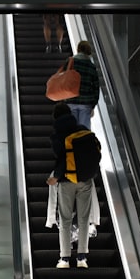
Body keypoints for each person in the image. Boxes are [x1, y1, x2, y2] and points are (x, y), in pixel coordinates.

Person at [46, 102, 100, 269]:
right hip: (86, 180)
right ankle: (82, 258)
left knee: (65, 219)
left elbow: (61, 158)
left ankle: (65, 259)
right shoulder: (83, 129)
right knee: (84, 219)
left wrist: (56, 176)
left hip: (67, 181)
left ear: (55, 117)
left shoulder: (57, 135)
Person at [65, 40, 99, 129]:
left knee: (72, 130)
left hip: (71, 100)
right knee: (84, 131)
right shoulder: (91, 66)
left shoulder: (70, 62)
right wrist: (93, 104)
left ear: (78, 49)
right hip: (86, 102)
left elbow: (64, 79)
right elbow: (96, 87)